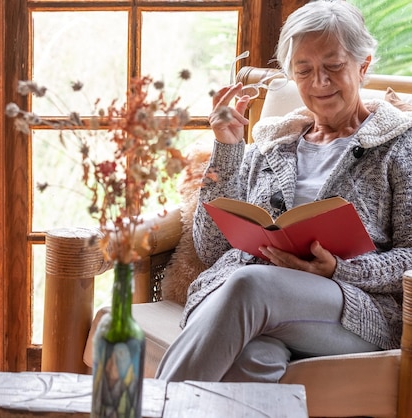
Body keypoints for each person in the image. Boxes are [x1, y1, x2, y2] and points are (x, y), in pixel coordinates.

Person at [155, 0, 412, 383]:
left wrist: (339, 268)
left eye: (333, 67)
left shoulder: (401, 146)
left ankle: (151, 408)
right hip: (259, 305)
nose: (318, 82)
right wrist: (227, 148)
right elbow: (212, 249)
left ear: (363, 65)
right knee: (253, 359)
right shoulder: (271, 148)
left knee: (249, 285)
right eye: (304, 70)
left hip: (352, 310)